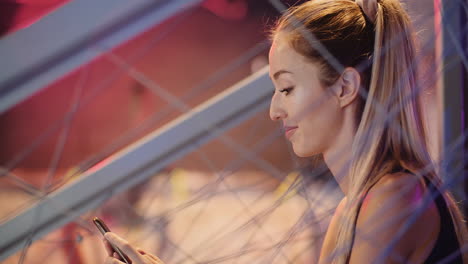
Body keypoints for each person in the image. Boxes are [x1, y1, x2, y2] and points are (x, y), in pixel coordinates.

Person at [102, 0, 468, 263]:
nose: (275, 111)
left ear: (344, 87)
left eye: (287, 89)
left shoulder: (395, 198)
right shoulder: (354, 207)